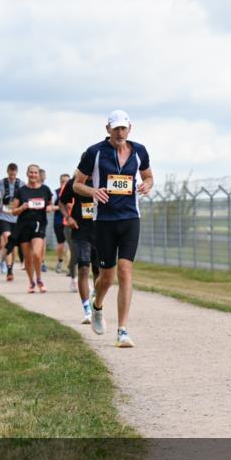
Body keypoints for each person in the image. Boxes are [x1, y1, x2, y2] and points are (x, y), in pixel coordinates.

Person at [73, 109, 154, 347]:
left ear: (130, 128)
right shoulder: (94, 152)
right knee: (106, 276)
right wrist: (93, 191)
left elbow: (148, 176)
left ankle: (122, 330)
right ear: (107, 129)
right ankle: (97, 305)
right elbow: (77, 184)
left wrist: (147, 185)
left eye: (123, 128)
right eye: (116, 128)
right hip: (104, 221)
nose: (120, 132)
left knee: (125, 271)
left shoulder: (139, 151)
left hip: (130, 218)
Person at [59, 163, 100, 323]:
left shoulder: (102, 180)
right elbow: (62, 202)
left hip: (100, 232)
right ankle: (87, 310)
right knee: (83, 268)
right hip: (80, 231)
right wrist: (68, 217)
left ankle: (97, 303)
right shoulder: (74, 183)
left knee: (100, 272)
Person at [11, 164, 53, 293]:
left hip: (39, 224)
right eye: (31, 172)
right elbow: (13, 211)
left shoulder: (45, 189)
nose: (33, 175)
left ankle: (39, 279)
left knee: (36, 253)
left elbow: (50, 203)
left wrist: (50, 208)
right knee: (28, 257)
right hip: (24, 225)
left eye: (36, 173)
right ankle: (31, 282)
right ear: (27, 174)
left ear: (39, 175)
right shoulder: (21, 191)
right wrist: (22, 208)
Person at [0, 163, 25, 281]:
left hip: (16, 218)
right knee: (7, 238)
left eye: (14, 174)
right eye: (10, 174)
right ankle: (9, 270)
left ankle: (6, 262)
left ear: (16, 173)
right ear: (7, 172)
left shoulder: (21, 184)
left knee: (12, 246)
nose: (12, 177)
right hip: (3, 217)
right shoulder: (1, 183)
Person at [53, 173, 71, 273]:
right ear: (60, 182)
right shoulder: (56, 193)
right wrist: (61, 207)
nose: (65, 183)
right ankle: (60, 261)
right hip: (59, 221)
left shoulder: (72, 191)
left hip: (69, 222)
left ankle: (70, 267)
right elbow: (50, 207)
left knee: (70, 245)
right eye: (63, 181)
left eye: (67, 181)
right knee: (61, 244)